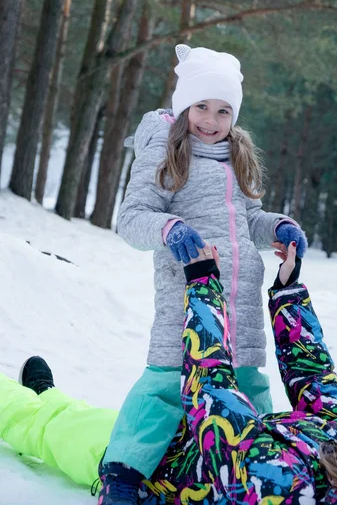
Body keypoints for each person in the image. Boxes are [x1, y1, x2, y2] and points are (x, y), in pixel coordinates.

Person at [1, 243, 337, 505]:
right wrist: (288, 291)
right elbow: (316, 381)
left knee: (47, 428)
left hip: (149, 470)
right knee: (83, 416)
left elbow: (211, 392)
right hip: (174, 438)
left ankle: (32, 406)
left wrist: (204, 282)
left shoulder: (283, 487)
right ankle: (48, 397)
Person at [103, 44, 308, 503]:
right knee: (166, 385)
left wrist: (276, 226)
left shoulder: (237, 157)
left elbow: (248, 218)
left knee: (248, 388)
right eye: (201, 107)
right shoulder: (166, 152)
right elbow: (133, 217)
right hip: (188, 294)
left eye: (223, 110)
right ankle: (121, 473)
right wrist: (171, 229)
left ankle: (253, 473)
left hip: (241, 303)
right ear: (183, 106)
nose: (211, 120)